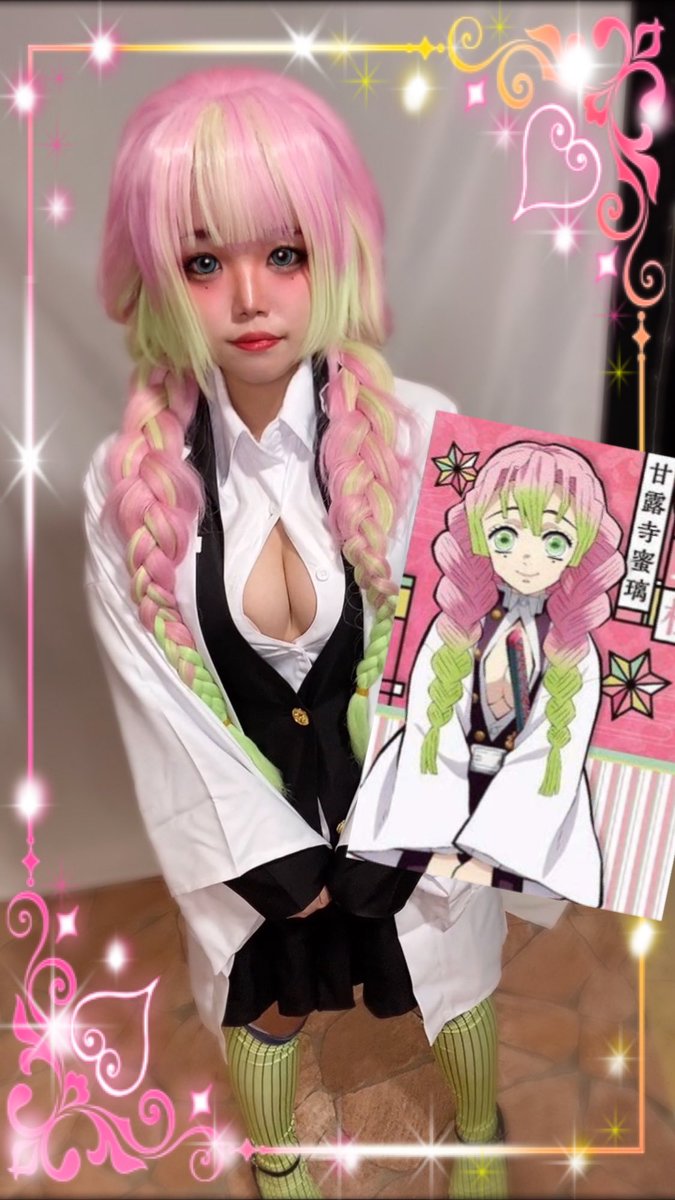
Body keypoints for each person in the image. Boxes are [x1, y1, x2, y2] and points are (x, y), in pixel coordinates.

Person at [83, 67, 510, 1199]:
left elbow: (469, 651)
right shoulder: (124, 483)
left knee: (448, 982)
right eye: (203, 262)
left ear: (337, 252)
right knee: (262, 1000)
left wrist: (405, 826)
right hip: (251, 829)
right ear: (157, 277)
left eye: (285, 253)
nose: (248, 298)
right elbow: (159, 705)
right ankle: (277, 1166)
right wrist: (271, 861)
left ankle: (480, 1132)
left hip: (401, 819)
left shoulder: (423, 433)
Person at [346, 440, 625, 907]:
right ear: (478, 533)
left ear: (583, 548)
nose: (528, 558)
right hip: (434, 795)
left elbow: (556, 749)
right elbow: (427, 724)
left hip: (523, 818)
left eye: (554, 541)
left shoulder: (577, 651)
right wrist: (440, 838)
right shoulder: (453, 625)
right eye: (506, 536)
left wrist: (491, 853)